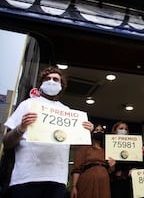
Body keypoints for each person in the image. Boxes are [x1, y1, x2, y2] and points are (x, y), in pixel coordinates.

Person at [2, 66, 94, 198]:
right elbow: (7, 142)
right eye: (47, 79)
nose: (51, 81)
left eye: (55, 79)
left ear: (61, 85)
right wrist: (20, 128)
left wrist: (85, 134)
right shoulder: (28, 105)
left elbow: (72, 146)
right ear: (41, 84)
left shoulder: (67, 112)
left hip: (57, 180)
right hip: (26, 177)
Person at [70, 124, 115, 198]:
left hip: (104, 182)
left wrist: (112, 166)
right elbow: (77, 168)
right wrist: (74, 186)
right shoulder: (85, 148)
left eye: (101, 131)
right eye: (97, 130)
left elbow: (110, 171)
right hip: (87, 180)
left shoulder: (107, 150)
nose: (99, 132)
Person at [110, 121, 141, 198]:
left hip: (131, 180)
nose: (124, 130)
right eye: (121, 128)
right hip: (116, 182)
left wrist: (135, 168)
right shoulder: (110, 145)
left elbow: (138, 163)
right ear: (115, 131)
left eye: (126, 129)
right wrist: (112, 167)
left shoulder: (134, 144)